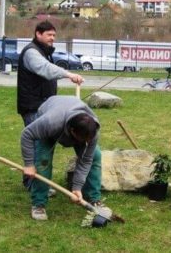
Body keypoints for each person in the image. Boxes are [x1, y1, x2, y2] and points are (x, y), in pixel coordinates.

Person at [17, 20, 84, 192]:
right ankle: (35, 184)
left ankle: (37, 182)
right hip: (33, 107)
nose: (52, 38)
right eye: (49, 35)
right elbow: (45, 69)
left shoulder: (44, 51)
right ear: (38, 34)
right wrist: (68, 74)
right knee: (39, 144)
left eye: (54, 35)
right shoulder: (32, 53)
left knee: (42, 145)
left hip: (44, 106)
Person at [21, 95, 103, 221]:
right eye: (82, 140)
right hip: (51, 111)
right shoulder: (50, 121)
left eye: (88, 140)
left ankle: (94, 199)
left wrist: (76, 187)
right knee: (43, 163)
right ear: (72, 131)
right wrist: (28, 165)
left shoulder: (92, 130)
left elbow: (85, 160)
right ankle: (39, 204)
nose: (86, 142)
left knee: (95, 156)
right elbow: (27, 134)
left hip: (70, 116)